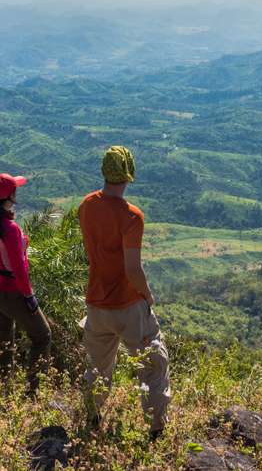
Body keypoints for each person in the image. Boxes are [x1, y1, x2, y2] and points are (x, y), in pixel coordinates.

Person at [78, 146, 170, 442]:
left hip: (96, 303)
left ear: (104, 171)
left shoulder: (86, 206)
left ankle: (92, 418)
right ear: (130, 172)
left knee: (98, 367)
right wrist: (148, 296)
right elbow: (132, 269)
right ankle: (156, 428)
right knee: (153, 366)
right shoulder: (132, 216)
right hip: (129, 305)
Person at [0, 173, 51, 393]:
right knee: (42, 336)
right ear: (9, 196)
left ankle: (2, 388)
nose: (17, 192)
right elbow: (19, 268)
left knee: (3, 336)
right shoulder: (10, 229)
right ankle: (32, 392)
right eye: (15, 189)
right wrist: (29, 297)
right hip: (10, 291)